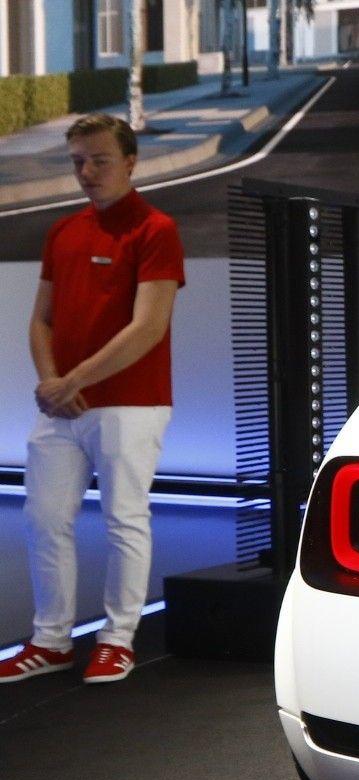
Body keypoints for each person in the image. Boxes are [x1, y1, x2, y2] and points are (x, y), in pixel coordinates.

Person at [0, 114, 184, 686]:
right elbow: (41, 320)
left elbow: (148, 326)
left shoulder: (156, 229)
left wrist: (71, 380)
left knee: (124, 518)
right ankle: (51, 641)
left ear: (130, 162)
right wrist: (53, 383)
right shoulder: (63, 232)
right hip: (63, 406)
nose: (87, 171)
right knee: (44, 519)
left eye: (100, 160)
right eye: (78, 161)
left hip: (132, 402)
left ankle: (117, 639)